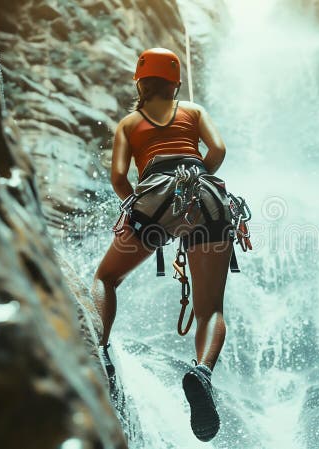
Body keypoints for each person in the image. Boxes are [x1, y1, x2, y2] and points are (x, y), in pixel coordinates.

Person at [92, 47, 233, 442]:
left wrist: (141, 208)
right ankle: (202, 373)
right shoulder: (195, 111)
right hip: (206, 194)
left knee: (106, 278)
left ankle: (100, 351)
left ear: (140, 81)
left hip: (153, 196)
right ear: (176, 83)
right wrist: (198, 180)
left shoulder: (128, 123)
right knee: (210, 310)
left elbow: (119, 177)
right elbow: (218, 151)